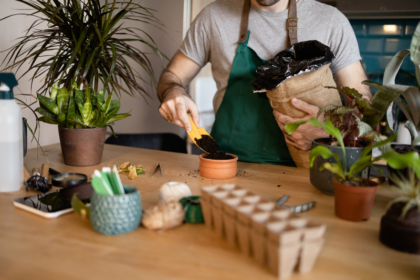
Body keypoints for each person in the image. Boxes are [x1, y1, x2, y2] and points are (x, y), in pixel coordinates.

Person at [157, 0, 371, 165]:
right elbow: (171, 78)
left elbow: (364, 106)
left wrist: (328, 131)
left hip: (309, 171)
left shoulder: (331, 21)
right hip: (228, 165)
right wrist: (174, 93)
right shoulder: (213, 17)